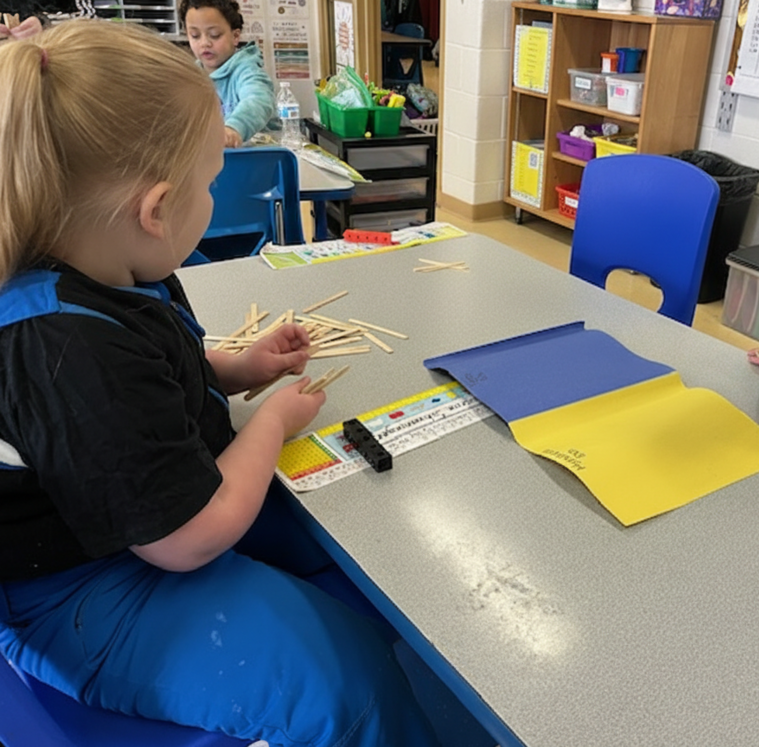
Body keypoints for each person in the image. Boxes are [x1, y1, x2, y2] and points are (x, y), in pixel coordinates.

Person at [0, 20, 439, 747]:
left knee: (365, 554)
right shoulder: (60, 345)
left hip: (144, 518)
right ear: (156, 209)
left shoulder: (106, 266)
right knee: (348, 683)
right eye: (210, 184)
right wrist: (269, 423)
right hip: (86, 594)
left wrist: (239, 370)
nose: (213, 199)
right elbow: (187, 538)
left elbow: (146, 389)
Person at [179, 0, 277, 148]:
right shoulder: (190, 77)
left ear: (235, 36)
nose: (204, 43)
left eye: (214, 35)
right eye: (195, 35)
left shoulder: (247, 70)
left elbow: (259, 100)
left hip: (259, 157)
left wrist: (234, 128)